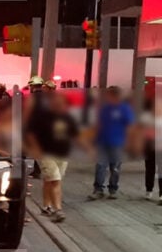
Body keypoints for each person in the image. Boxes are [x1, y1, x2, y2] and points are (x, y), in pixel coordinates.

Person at [27, 92, 79, 222]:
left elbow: (74, 135)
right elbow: (31, 134)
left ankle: (46, 206)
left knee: (50, 180)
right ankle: (58, 209)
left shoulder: (68, 118)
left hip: (62, 154)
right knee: (55, 180)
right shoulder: (42, 118)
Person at [90, 86, 134, 200]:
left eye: (109, 95)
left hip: (118, 143)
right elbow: (99, 124)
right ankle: (98, 189)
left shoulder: (125, 109)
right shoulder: (104, 109)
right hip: (103, 142)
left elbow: (129, 126)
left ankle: (113, 189)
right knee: (100, 166)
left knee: (115, 167)